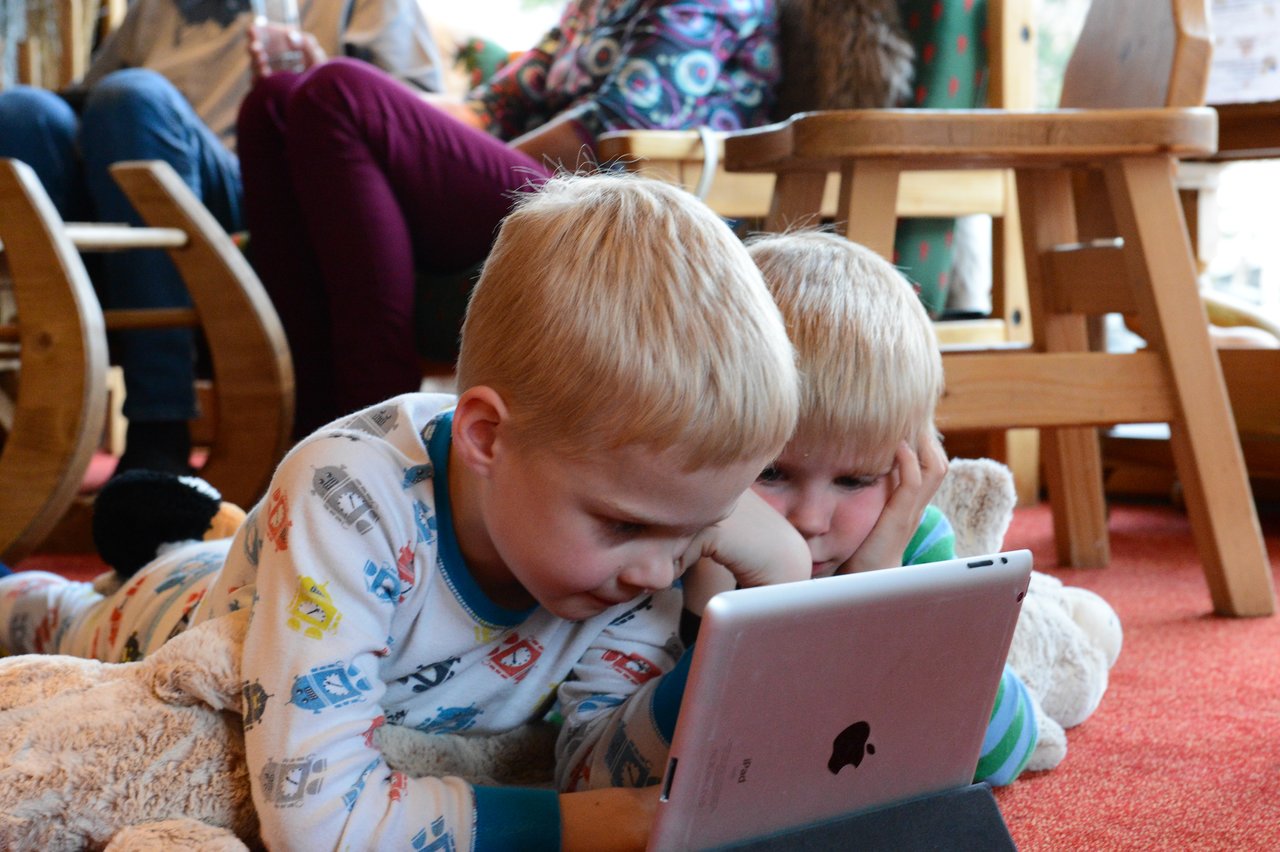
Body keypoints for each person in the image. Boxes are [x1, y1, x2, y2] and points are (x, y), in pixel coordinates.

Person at [0, 173, 810, 849]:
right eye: (626, 527)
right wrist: (563, 831)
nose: (656, 572)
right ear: (487, 435)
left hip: (306, 593)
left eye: (698, 530)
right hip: (178, 623)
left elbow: (599, 772)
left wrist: (732, 633)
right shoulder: (348, 494)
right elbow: (316, 820)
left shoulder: (642, 542)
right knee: (74, 614)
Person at [235, 0, 781, 436]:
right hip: (547, 189)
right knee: (279, 99)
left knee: (339, 91)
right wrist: (427, 149)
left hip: (618, 217)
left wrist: (443, 166)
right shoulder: (592, 7)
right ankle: (310, 430)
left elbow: (608, 133)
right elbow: (487, 109)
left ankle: (379, 420)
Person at [0, 0, 443, 474]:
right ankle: (46, 423)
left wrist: (323, 69)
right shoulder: (155, 8)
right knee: (23, 112)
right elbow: (85, 101)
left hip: (263, 184)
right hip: (130, 169)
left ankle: (161, 424)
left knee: (134, 97)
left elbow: (423, 121)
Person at [685, 230, 1038, 786]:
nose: (810, 520)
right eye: (771, 473)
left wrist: (878, 589)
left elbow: (1005, 755)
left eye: (854, 479)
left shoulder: (909, 541)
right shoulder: (672, 540)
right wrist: (705, 610)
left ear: (908, 471)